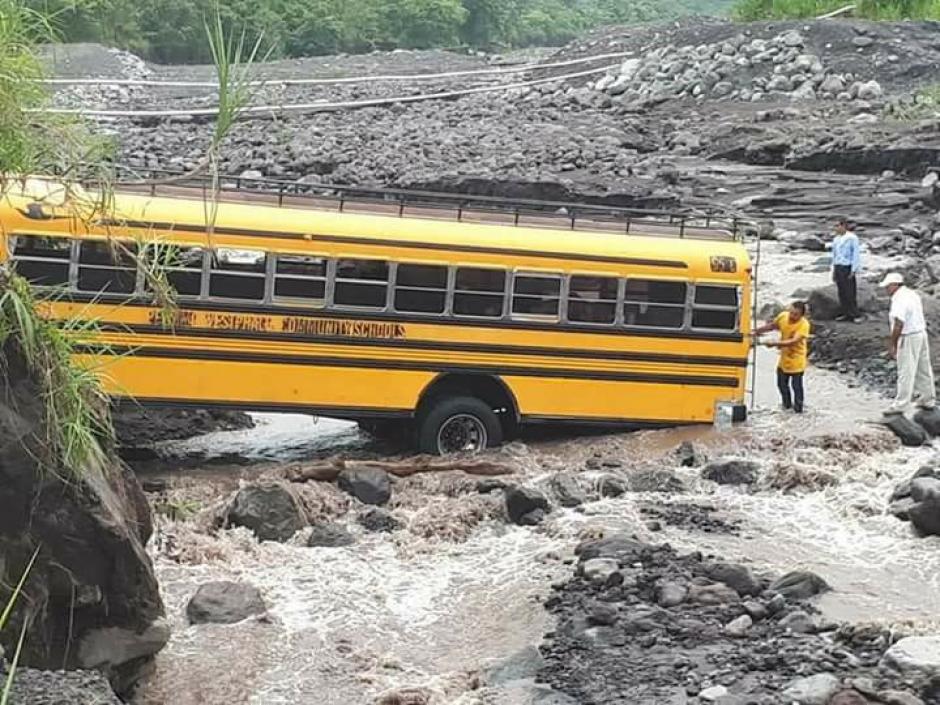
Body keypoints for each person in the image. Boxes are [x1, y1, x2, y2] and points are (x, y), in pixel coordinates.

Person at [880, 272, 936, 416]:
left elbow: (899, 323)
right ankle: (927, 399)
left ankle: (900, 405)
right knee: (923, 368)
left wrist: (893, 343)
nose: (886, 290)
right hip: (920, 333)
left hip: (908, 336)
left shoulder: (899, 299)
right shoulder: (912, 294)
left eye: (887, 287)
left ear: (894, 285)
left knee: (906, 371)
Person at [753, 301, 811, 413]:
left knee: (796, 386)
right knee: (781, 384)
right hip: (784, 358)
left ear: (801, 315)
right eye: (791, 312)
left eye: (795, 314)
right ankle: (787, 407)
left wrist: (775, 343)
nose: (792, 316)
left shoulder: (804, 325)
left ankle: (799, 410)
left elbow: (793, 341)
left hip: (797, 359)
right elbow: (772, 326)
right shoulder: (783, 316)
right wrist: (756, 331)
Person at [831, 218, 862, 322]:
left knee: (850, 291)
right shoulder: (836, 239)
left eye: (837, 226)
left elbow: (856, 254)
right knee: (842, 291)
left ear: (843, 226)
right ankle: (845, 313)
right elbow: (834, 255)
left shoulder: (852, 238)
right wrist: (834, 270)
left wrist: (854, 269)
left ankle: (855, 314)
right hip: (838, 266)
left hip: (847, 266)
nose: (835, 228)